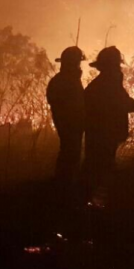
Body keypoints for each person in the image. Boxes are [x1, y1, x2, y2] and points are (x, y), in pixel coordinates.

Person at [81, 46, 134, 207]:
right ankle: (89, 206)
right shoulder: (105, 86)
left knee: (99, 168)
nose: (118, 69)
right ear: (109, 67)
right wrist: (129, 104)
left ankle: (91, 204)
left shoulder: (107, 84)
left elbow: (121, 101)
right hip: (102, 136)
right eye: (116, 66)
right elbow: (115, 104)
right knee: (99, 169)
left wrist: (130, 103)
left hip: (103, 136)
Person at [45, 46, 86, 184]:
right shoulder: (67, 81)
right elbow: (74, 104)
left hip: (68, 123)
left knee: (69, 151)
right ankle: (64, 185)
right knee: (70, 152)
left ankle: (64, 184)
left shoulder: (62, 80)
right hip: (69, 124)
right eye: (77, 63)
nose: (79, 66)